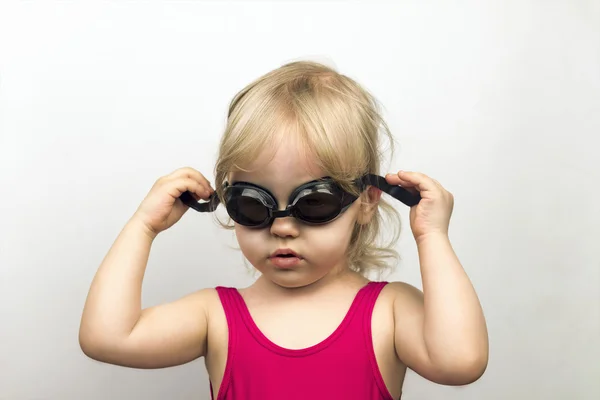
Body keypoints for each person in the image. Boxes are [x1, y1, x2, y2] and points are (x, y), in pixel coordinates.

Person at [79, 61, 489, 400]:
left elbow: (460, 362)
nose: (281, 227)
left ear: (365, 201)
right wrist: (143, 227)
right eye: (252, 204)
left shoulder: (390, 311)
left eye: (313, 202)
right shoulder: (215, 316)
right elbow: (107, 337)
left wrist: (432, 237)